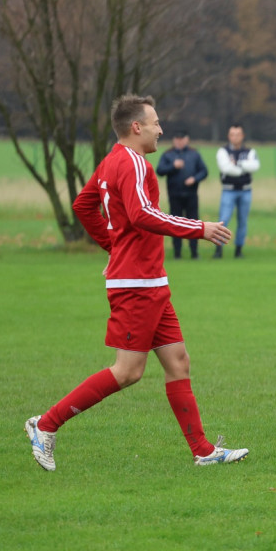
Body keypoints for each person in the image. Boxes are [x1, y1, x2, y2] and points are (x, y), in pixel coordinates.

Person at [24, 94, 248, 472]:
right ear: (136, 127)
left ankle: (203, 450)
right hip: (136, 284)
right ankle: (44, 425)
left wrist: (114, 247)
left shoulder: (113, 160)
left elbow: (83, 205)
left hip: (150, 280)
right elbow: (143, 214)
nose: (162, 129)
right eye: (157, 122)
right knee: (128, 371)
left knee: (178, 362)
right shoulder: (132, 164)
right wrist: (200, 228)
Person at [155, 129, 208, 259]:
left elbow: (204, 171)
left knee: (193, 222)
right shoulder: (168, 154)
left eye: (182, 139)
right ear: (174, 140)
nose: (179, 142)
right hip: (174, 195)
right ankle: (177, 252)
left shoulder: (194, 154)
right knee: (175, 224)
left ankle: (194, 252)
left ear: (187, 139)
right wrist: (173, 166)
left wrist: (194, 179)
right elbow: (160, 170)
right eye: (177, 139)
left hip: (191, 195)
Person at [214, 123, 260, 258]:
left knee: (243, 221)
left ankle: (239, 250)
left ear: (243, 136)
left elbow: (255, 166)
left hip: (246, 191)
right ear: (229, 136)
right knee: (224, 220)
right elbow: (226, 168)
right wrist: (244, 169)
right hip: (228, 190)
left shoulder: (250, 151)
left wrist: (238, 164)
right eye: (233, 135)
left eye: (238, 134)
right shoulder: (223, 151)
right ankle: (218, 250)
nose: (235, 137)